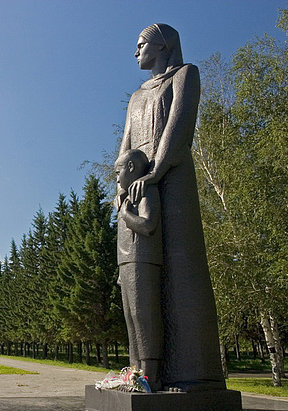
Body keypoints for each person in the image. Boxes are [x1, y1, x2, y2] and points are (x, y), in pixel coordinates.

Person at [116, 23, 225, 392]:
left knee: (180, 269)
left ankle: (191, 372)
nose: (136, 51)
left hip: (172, 176)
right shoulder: (136, 96)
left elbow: (179, 126)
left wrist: (156, 171)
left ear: (162, 46)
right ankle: (143, 372)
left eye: (141, 44)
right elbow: (126, 146)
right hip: (139, 182)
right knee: (140, 281)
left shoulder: (184, 75)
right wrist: (121, 185)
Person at [115, 149, 163, 391]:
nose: (116, 179)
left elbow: (148, 225)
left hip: (142, 261)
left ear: (131, 168)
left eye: (118, 172)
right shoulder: (125, 197)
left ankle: (150, 375)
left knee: (143, 317)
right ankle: (135, 373)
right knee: (130, 319)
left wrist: (125, 214)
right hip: (126, 265)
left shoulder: (145, 190)